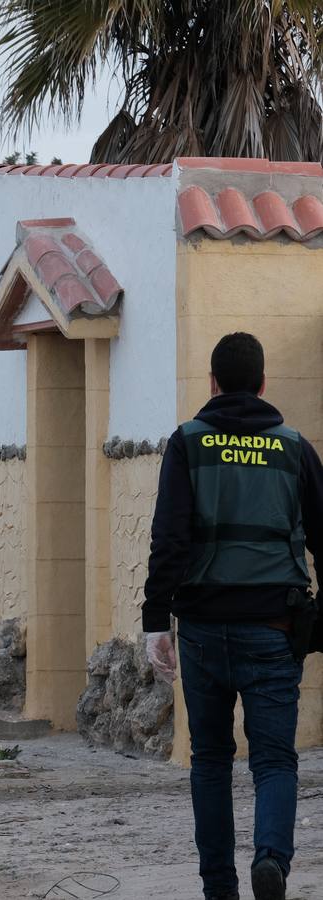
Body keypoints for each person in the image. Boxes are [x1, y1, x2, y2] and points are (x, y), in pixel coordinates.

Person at [144, 332, 323, 900]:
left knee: (211, 760)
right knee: (274, 760)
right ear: (264, 384)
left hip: (201, 631)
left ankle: (218, 886)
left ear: (213, 384)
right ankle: (270, 859)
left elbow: (168, 538)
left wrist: (156, 621)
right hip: (274, 627)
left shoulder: (187, 443)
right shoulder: (295, 448)